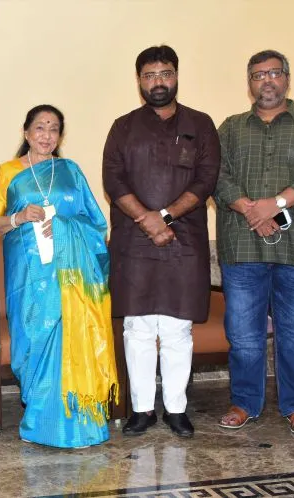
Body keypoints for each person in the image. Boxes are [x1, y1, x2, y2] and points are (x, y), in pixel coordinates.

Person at [214, 50, 294, 436]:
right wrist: (249, 209)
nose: (266, 80)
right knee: (243, 335)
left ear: (287, 78)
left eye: (273, 73)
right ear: (248, 82)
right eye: (257, 75)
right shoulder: (231, 127)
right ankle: (244, 402)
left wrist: (276, 203)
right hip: (243, 245)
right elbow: (215, 173)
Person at [102, 45, 221, 438]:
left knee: (176, 330)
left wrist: (164, 217)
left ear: (176, 75)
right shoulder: (123, 126)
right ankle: (141, 410)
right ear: (139, 80)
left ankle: (176, 409)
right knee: (136, 329)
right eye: (150, 75)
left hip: (183, 240)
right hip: (134, 243)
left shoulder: (201, 124)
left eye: (165, 73)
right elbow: (113, 179)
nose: (158, 82)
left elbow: (206, 180)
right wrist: (146, 219)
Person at [0, 104, 117, 448]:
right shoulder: (9, 172)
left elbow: (97, 223)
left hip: (70, 277)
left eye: (54, 129)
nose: (46, 135)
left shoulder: (71, 172)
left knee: (71, 341)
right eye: (40, 128)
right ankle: (39, 419)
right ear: (26, 133)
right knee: (33, 342)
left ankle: (77, 424)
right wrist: (18, 217)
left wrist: (64, 227)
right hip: (27, 275)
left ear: (60, 136)